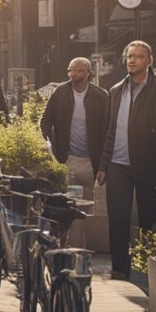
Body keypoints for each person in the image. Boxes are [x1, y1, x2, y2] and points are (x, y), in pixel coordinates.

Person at [96, 41, 156, 280]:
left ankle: (146, 268)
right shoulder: (116, 91)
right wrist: (103, 166)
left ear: (149, 60)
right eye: (129, 56)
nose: (132, 60)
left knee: (148, 218)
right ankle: (119, 270)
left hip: (149, 164)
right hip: (118, 165)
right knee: (118, 218)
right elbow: (110, 131)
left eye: (138, 56)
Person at [40, 57, 110, 206]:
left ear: (88, 73)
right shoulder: (60, 92)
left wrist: (104, 164)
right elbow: (46, 119)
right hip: (68, 160)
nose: (75, 74)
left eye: (79, 70)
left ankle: (87, 229)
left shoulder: (101, 96)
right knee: (71, 204)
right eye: (72, 70)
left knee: (90, 206)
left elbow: (109, 129)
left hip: (92, 162)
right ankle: (73, 230)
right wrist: (51, 146)